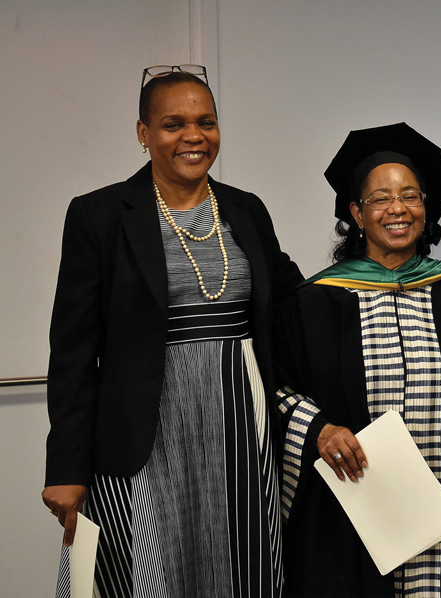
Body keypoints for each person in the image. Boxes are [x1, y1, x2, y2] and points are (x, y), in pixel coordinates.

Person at [42, 64, 303, 598]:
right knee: (148, 574)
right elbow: (72, 351)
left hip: (240, 428)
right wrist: (66, 465)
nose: (193, 136)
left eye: (206, 121)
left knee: (244, 567)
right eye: (173, 123)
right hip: (144, 433)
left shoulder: (246, 210)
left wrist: (370, 277)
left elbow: (294, 303)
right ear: (143, 134)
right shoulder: (99, 215)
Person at [275, 122, 441, 597]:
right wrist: (321, 429)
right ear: (356, 212)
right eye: (379, 198)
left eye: (411, 196)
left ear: (427, 208)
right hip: (353, 509)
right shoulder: (312, 303)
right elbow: (277, 389)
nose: (397, 208)